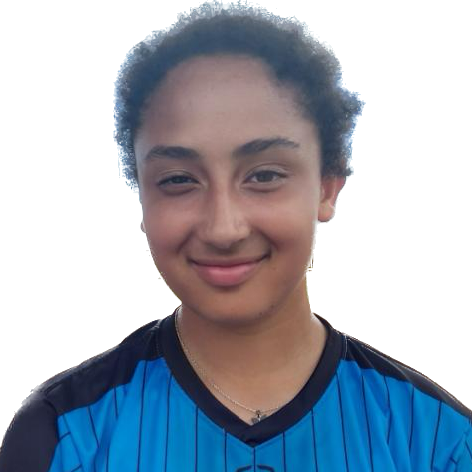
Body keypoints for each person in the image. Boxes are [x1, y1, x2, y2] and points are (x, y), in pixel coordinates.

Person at [1, 3, 471, 471]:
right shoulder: (64, 435)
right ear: (143, 192)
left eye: (264, 175)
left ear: (327, 187)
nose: (223, 229)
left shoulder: (439, 442)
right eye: (179, 180)